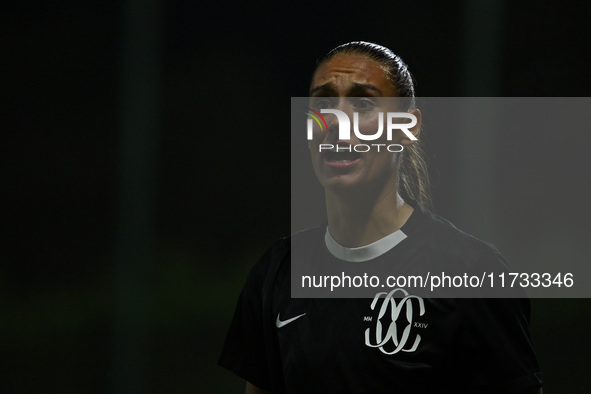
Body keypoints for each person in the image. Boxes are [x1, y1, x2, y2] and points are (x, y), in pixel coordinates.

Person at [219, 41, 543, 393]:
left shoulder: (471, 271)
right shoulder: (277, 273)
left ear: (407, 127)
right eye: (323, 102)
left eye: (363, 103)